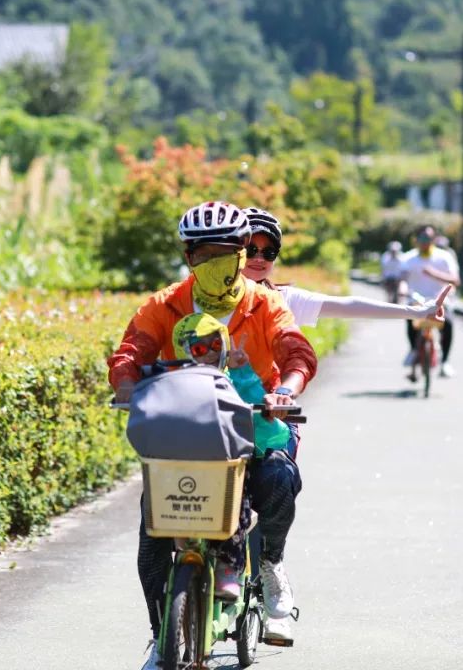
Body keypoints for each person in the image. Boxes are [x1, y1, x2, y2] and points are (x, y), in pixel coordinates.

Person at [108, 201, 317, 669]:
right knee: (153, 537)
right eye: (204, 255)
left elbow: (296, 352)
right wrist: (125, 387)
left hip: (253, 423)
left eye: (226, 252)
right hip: (185, 430)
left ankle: (271, 565)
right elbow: (130, 353)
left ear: (244, 254)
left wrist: (284, 390)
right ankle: (162, 637)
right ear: (188, 257)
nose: (214, 263)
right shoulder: (164, 306)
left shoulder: (266, 304)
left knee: (279, 477)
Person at [170, 314, 298, 605]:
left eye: (216, 344)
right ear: (183, 351)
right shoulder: (173, 384)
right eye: (199, 349)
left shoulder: (234, 380)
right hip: (184, 469)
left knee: (237, 494)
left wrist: (245, 377)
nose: (210, 354)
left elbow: (272, 434)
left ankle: (233, 565)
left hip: (231, 467)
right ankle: (161, 627)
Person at [241, 208, 451, 329]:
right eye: (251, 250)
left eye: (268, 253)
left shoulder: (283, 299)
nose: (259, 258)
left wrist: (418, 312)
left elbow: (350, 306)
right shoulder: (210, 297)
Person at [399, 225, 461, 378]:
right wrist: (402, 289)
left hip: (440, 300)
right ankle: (414, 350)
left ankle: (445, 362)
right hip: (416, 300)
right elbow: (403, 279)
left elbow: (455, 280)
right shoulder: (408, 258)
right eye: (422, 238)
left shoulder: (444, 257)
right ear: (416, 240)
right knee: (410, 320)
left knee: (448, 324)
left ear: (434, 240)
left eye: (428, 238)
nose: (425, 242)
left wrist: (434, 274)